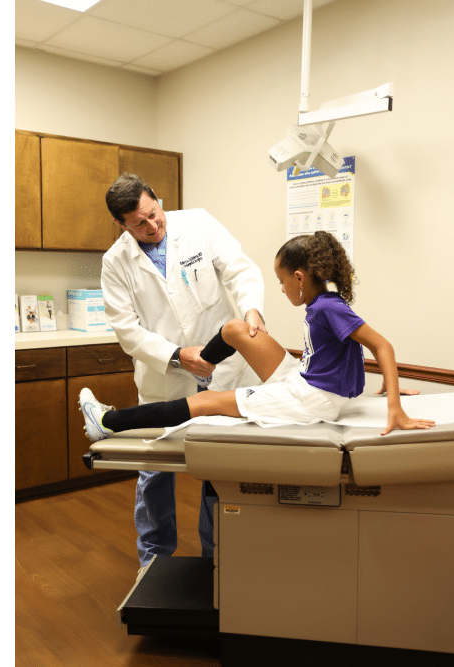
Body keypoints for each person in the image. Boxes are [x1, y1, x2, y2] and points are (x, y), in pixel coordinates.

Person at [80, 230, 434, 454]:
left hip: (310, 399)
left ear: (299, 278)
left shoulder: (329, 308)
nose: (280, 290)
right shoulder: (320, 303)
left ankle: (109, 422)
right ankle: (206, 365)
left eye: (281, 282)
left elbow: (381, 345)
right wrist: (389, 384)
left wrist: (394, 407)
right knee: (235, 328)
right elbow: (351, 351)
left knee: (205, 401)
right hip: (302, 377)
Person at [99, 173, 267, 568]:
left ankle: (217, 558)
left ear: (157, 201)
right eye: (139, 224)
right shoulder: (114, 262)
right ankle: (153, 561)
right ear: (122, 225)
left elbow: (240, 270)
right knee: (154, 473)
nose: (153, 226)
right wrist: (176, 355)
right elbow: (126, 330)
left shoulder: (199, 224)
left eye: (154, 214)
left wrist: (252, 308)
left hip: (223, 371)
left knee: (218, 468)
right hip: (165, 377)